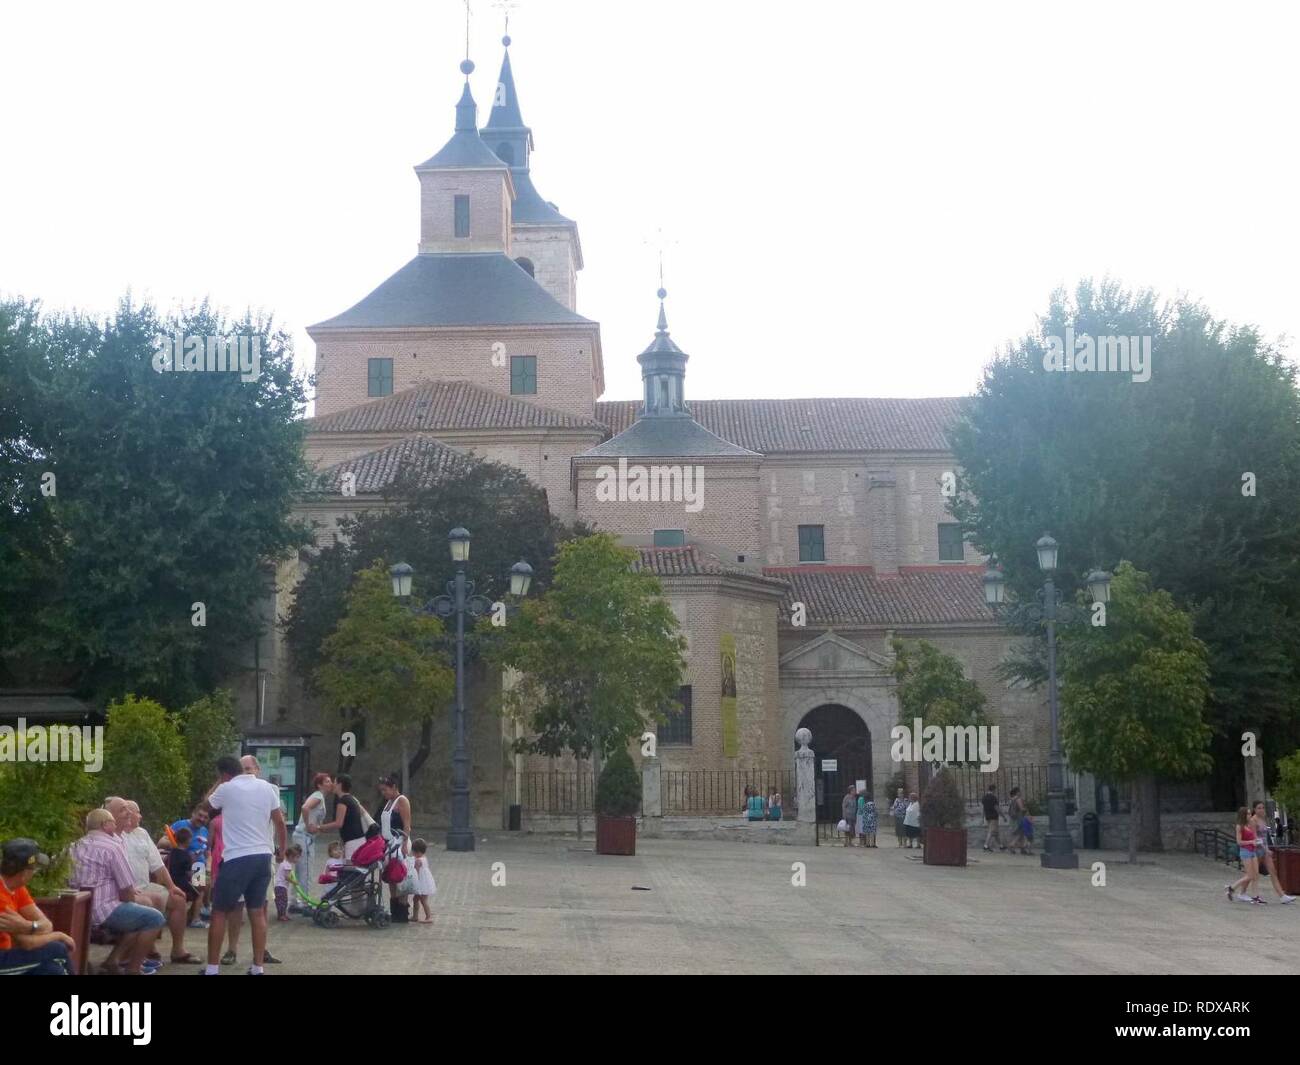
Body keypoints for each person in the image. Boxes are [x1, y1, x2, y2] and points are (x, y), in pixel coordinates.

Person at [202, 755, 288, 976]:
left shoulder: (226, 788)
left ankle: (212, 969)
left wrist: (220, 783)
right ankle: (257, 967)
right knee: (257, 912)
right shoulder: (268, 788)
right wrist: (282, 850)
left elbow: (206, 805)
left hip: (237, 857)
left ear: (224, 774)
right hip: (262, 856)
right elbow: (279, 822)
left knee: (220, 911)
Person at [69, 809, 166, 974]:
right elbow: (127, 888)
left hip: (78, 907)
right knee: (154, 918)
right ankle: (133, 968)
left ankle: (114, 960)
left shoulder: (73, 846)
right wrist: (130, 899)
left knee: (140, 911)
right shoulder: (113, 847)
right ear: (105, 825)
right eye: (113, 822)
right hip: (103, 910)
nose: (115, 825)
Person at [107, 797, 198, 964]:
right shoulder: (114, 836)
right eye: (137, 812)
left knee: (178, 898)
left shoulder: (142, 833)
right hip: (130, 889)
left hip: (147, 885)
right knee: (150, 902)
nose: (140, 816)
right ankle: (139, 954)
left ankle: (178, 950)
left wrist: (171, 886)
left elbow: (158, 865)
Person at [0, 839, 74, 975]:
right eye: (34, 869)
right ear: (24, 872)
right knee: (58, 949)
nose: (34, 873)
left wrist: (28, 926)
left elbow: (46, 925)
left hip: (7, 955)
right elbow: (27, 943)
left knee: (53, 971)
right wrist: (58, 935)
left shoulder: (18, 888)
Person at [291, 773, 334, 911]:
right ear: (319, 785)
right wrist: (309, 824)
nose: (330, 783)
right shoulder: (317, 796)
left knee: (299, 870)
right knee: (306, 871)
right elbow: (305, 808)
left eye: (330, 781)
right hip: (304, 836)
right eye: (327, 781)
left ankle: (295, 901)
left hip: (302, 836)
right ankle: (305, 903)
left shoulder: (319, 797)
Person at [163, 803, 210, 926]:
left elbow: (206, 851)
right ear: (193, 813)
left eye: (205, 817)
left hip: (199, 866)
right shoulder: (180, 825)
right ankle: (195, 918)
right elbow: (161, 842)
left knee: (205, 883)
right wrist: (180, 850)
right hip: (183, 866)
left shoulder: (205, 831)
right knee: (201, 886)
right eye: (200, 815)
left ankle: (194, 916)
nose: (202, 819)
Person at [378, 775, 413, 923]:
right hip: (388, 842)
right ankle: (395, 909)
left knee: (400, 876)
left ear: (393, 787)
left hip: (399, 841)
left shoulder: (402, 801)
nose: (383, 793)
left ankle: (403, 911)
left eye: (385, 790)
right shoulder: (388, 802)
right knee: (391, 877)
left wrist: (405, 843)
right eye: (382, 790)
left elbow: (407, 824)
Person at [1250, 801, 1296, 904]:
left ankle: (1282, 895)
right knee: (1253, 874)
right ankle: (1239, 890)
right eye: (1258, 808)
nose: (1261, 810)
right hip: (1257, 850)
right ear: (1254, 809)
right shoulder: (1253, 821)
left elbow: (1265, 836)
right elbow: (1255, 837)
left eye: (1262, 808)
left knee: (1273, 872)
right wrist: (1265, 849)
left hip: (1265, 850)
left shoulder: (1263, 820)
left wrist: (1266, 849)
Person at [317, 774, 370, 860]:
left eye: (334, 782)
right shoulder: (351, 799)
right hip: (356, 840)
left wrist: (320, 827)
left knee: (350, 869)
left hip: (353, 841)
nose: (332, 785)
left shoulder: (343, 801)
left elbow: (339, 823)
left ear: (340, 785)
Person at [1227, 807, 1264, 904]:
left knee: (1256, 874)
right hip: (1245, 851)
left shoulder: (1250, 823)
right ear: (1243, 815)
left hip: (1253, 850)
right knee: (1250, 875)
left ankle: (1256, 897)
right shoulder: (1240, 826)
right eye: (1247, 814)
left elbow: (1254, 833)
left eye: (1250, 814)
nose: (1250, 815)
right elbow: (1239, 842)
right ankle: (1232, 888)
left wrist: (1257, 841)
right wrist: (1251, 841)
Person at [410, 838, 436, 923]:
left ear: (416, 851)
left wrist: (414, 881)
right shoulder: (424, 858)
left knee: (423, 900)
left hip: (421, 883)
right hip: (425, 882)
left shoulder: (418, 860)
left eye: (413, 852)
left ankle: (428, 917)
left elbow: (416, 872)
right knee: (416, 899)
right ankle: (415, 916)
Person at [275, 846, 300, 921]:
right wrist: (294, 882)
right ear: (291, 857)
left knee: (281, 901)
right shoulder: (288, 865)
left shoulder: (284, 863)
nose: (297, 859)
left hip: (278, 886)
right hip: (281, 886)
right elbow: (287, 877)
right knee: (283, 901)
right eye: (296, 857)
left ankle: (282, 914)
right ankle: (281, 915)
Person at [1006, 787, 1030, 855]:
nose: (1020, 793)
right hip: (1019, 818)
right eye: (1019, 791)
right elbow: (1021, 809)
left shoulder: (1012, 799)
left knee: (1020, 833)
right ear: (1017, 792)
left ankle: (1022, 848)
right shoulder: (1018, 799)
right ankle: (1012, 845)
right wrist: (1027, 809)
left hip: (1013, 818)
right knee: (1020, 833)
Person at [982, 785, 1005, 852]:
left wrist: (982, 818)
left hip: (987, 816)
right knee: (991, 831)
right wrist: (1003, 816)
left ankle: (1001, 846)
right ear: (993, 790)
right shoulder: (993, 797)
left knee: (996, 832)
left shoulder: (984, 797)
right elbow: (997, 808)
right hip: (994, 816)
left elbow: (983, 808)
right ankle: (985, 846)